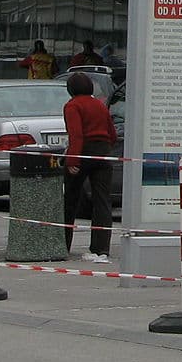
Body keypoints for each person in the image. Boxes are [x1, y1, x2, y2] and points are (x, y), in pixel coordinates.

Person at [62, 72, 117, 263]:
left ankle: (63, 243)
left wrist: (72, 161)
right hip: (102, 152)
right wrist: (106, 148)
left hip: (83, 151)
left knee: (70, 200)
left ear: (70, 89)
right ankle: (101, 248)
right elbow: (112, 133)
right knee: (102, 201)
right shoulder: (100, 106)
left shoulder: (72, 106)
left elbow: (76, 135)